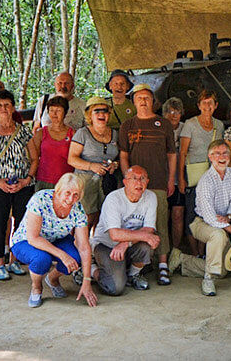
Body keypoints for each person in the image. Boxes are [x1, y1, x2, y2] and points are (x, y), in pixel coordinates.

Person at [118, 83, 177, 286]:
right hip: (134, 186)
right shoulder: (127, 125)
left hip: (159, 181)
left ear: (153, 101)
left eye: (147, 98)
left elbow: (172, 154)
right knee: (135, 222)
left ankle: (162, 265)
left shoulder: (164, 124)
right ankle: (142, 262)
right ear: (133, 102)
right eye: (139, 98)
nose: (143, 101)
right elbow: (123, 156)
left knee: (160, 222)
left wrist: (171, 179)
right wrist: (128, 179)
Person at [170, 140, 231, 296]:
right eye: (217, 153)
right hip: (200, 223)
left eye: (225, 153)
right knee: (218, 235)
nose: (222, 157)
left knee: (223, 270)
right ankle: (208, 279)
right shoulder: (206, 180)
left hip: (223, 221)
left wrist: (228, 217)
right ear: (210, 157)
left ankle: (183, 260)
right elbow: (210, 217)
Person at [10, 174, 98, 308]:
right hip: (26, 240)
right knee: (41, 259)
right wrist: (62, 255)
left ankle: (52, 279)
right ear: (58, 190)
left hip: (57, 239)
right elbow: (33, 238)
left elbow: (84, 247)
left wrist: (87, 281)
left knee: (76, 257)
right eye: (67, 193)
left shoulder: (78, 208)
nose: (70, 199)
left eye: (76, 195)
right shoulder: (41, 199)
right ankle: (37, 287)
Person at [0, 89, 35, 281]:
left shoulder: (24, 131)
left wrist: (26, 180)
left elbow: (34, 159)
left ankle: (15, 259)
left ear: (13, 107)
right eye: (0, 106)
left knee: (22, 222)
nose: (4, 109)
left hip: (23, 184)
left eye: (7, 105)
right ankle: (0, 263)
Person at [89, 166, 160, 295]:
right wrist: (131, 239)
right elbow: (114, 234)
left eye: (142, 179)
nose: (139, 183)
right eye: (134, 179)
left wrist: (126, 243)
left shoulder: (151, 197)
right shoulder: (114, 199)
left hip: (127, 246)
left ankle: (133, 275)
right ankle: (90, 269)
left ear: (147, 182)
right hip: (107, 245)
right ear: (125, 182)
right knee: (115, 288)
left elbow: (149, 229)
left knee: (147, 244)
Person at [178, 90, 225, 255]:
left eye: (211, 102)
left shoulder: (219, 125)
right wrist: (180, 179)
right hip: (193, 175)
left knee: (209, 214)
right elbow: (182, 153)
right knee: (193, 214)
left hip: (213, 176)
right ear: (198, 105)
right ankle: (195, 252)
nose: (207, 106)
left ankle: (205, 251)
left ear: (216, 105)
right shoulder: (190, 124)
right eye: (204, 103)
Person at [68, 96, 120, 232]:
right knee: (85, 219)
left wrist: (115, 164)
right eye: (97, 111)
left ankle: (94, 248)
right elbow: (72, 159)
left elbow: (120, 158)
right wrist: (92, 166)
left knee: (102, 217)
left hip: (107, 182)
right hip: (86, 181)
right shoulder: (82, 133)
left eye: (105, 111)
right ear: (90, 115)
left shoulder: (115, 134)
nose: (101, 114)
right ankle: (76, 249)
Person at [29, 96, 75, 192]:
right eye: (51, 110)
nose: (54, 114)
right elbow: (33, 157)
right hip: (43, 180)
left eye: (58, 110)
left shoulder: (73, 134)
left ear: (65, 112)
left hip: (66, 182)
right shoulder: (41, 133)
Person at [163, 96, 186, 249]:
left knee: (178, 215)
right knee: (163, 216)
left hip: (181, 178)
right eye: (170, 111)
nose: (173, 115)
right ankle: (163, 250)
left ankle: (176, 250)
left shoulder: (186, 127)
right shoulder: (159, 126)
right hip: (162, 178)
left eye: (177, 112)